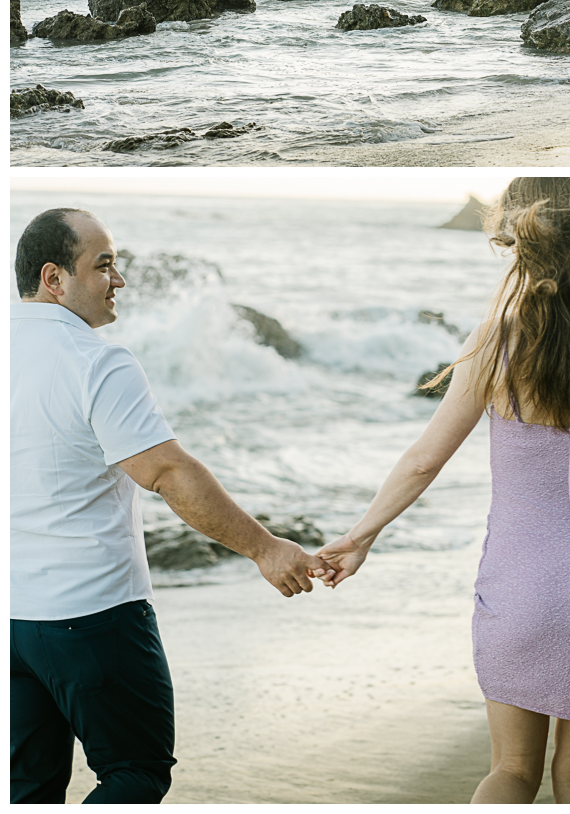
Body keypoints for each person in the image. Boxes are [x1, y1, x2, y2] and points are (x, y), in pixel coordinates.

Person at [315, 177, 570, 804]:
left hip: (521, 589)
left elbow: (423, 460)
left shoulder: (501, 337)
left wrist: (362, 535)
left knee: (511, 772)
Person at [10, 207, 330, 805]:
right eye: (104, 265)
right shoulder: (97, 361)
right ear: (54, 279)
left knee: (26, 787)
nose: (120, 280)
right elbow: (166, 471)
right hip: (94, 613)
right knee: (135, 772)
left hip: (12, 618)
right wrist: (264, 548)